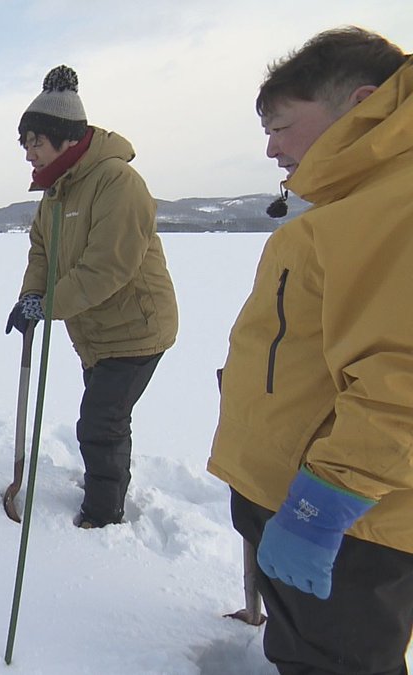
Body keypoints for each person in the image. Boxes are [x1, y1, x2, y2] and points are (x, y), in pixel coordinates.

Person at [207, 27, 412, 675]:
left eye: (282, 126)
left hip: (349, 522)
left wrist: (324, 504)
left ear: (360, 103)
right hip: (302, 492)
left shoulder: (394, 205)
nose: (271, 148)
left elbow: (400, 380)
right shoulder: (358, 201)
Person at [5, 65, 178, 529]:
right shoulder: (56, 193)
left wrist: (49, 305)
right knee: (106, 418)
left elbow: (108, 267)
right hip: (96, 331)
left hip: (136, 329)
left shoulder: (117, 181)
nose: (28, 154)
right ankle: (107, 482)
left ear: (65, 138)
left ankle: (103, 514)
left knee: (100, 422)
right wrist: (30, 296)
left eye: (35, 142)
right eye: (25, 145)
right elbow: (41, 252)